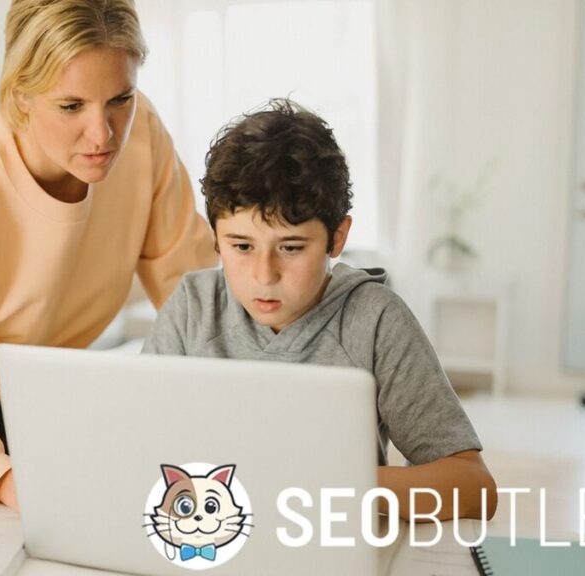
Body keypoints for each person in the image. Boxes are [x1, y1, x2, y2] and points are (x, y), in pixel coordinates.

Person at [0, 0, 217, 510]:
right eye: (71, 106)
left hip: (46, 384)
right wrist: (19, 486)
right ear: (21, 94)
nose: (103, 135)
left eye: (120, 98)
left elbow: (196, 295)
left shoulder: (143, 138)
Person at [142, 99, 497, 521]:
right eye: (241, 246)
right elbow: (138, 447)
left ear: (337, 238)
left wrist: (331, 490)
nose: (264, 274)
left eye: (291, 248)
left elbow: (474, 488)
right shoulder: (191, 308)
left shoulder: (375, 320)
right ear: (214, 236)